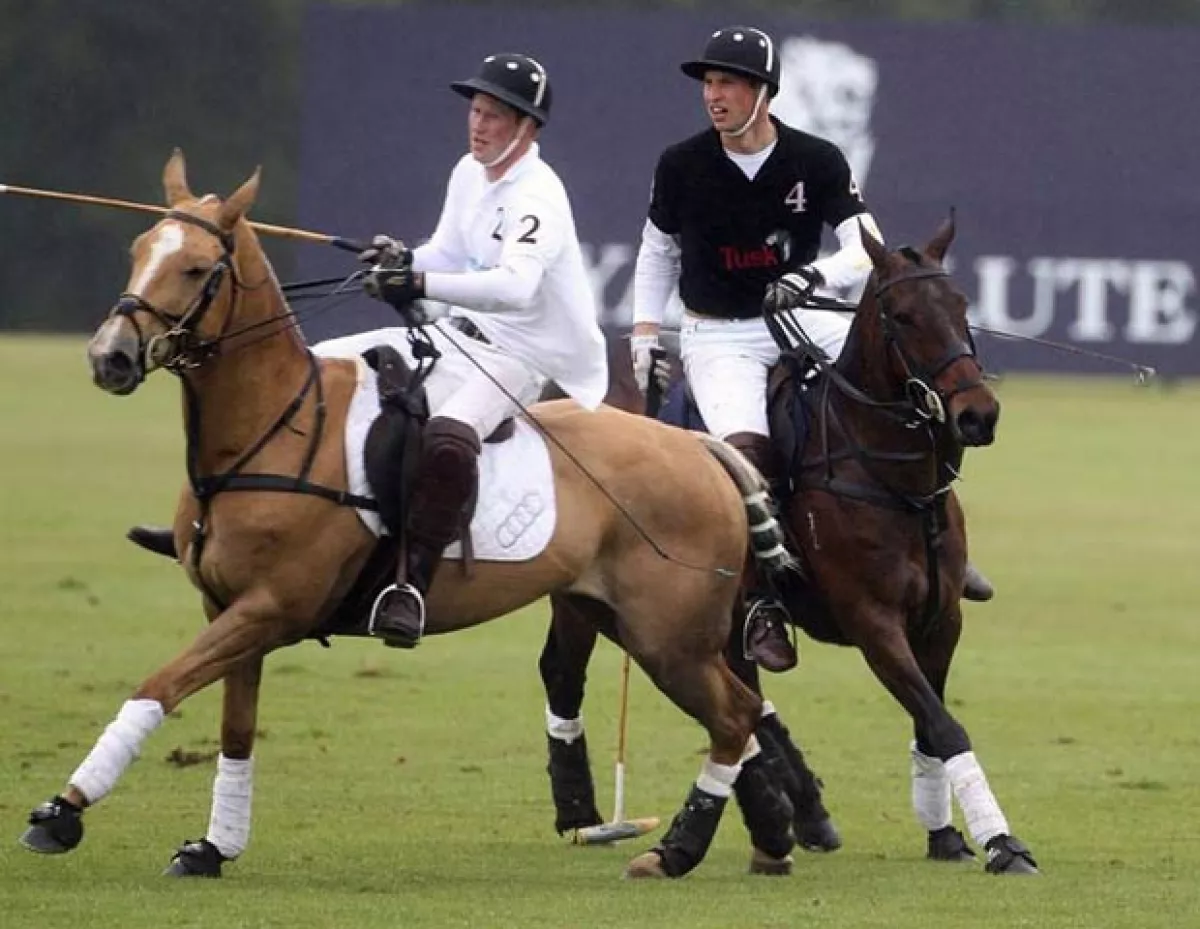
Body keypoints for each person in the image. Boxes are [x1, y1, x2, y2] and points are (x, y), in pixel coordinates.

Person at [129, 53, 610, 650]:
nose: (478, 124)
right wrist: (402, 257)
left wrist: (417, 281)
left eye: (494, 115)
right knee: (311, 371)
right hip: (460, 337)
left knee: (449, 436)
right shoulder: (470, 172)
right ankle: (207, 522)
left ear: (526, 127)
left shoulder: (539, 195)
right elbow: (447, 252)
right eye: (476, 111)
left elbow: (515, 286)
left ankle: (412, 582)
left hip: (524, 356)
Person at [629, 26, 991, 673]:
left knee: (910, 385)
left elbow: (866, 243)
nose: (714, 95)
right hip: (721, 333)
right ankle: (763, 602)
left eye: (728, 83)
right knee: (747, 458)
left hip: (800, 314)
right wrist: (645, 332)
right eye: (709, 83)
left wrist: (811, 278)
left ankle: (944, 547)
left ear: (763, 92)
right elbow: (657, 251)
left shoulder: (815, 159)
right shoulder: (681, 164)